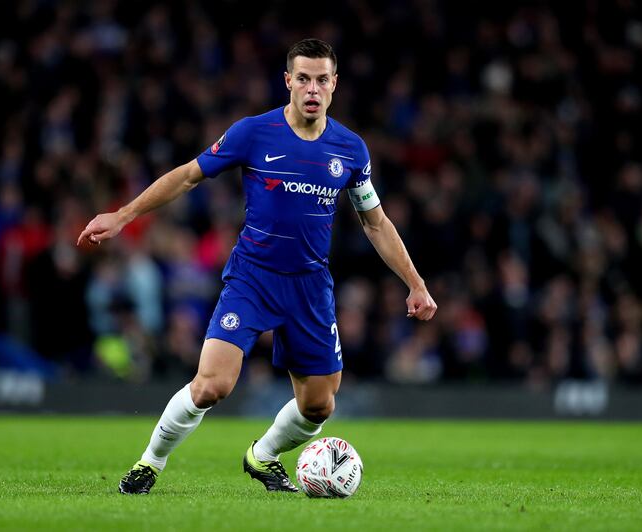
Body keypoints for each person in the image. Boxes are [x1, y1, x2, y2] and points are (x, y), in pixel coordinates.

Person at [77, 38, 437, 495]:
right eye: (303, 78)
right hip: (253, 278)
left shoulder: (350, 150)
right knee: (211, 385)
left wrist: (416, 284)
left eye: (321, 79)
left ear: (334, 85)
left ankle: (262, 456)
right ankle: (150, 463)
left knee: (319, 406)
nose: (312, 88)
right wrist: (122, 215)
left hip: (309, 285)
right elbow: (188, 175)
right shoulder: (253, 133)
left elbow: (376, 223)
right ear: (288, 81)